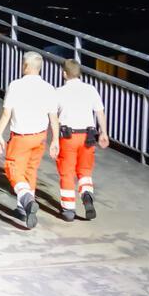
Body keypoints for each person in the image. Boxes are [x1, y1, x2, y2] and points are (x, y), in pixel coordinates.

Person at [0, 50, 59, 230]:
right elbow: (54, 118)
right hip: (40, 137)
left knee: (13, 168)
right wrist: (56, 141)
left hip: (21, 136)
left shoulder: (16, 85)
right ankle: (24, 209)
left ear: (25, 66)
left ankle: (26, 199)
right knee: (30, 171)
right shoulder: (49, 88)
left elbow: (7, 112)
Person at [54, 59, 110, 220]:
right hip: (88, 136)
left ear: (64, 73)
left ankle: (69, 209)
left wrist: (54, 140)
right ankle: (86, 194)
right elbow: (100, 112)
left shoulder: (59, 92)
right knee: (85, 171)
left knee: (67, 172)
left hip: (68, 137)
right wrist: (104, 133)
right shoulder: (90, 90)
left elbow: (53, 117)